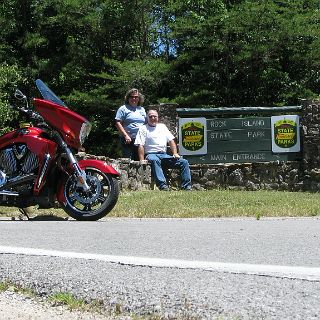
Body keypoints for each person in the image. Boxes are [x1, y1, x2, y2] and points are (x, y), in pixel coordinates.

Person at [134, 108, 192, 191]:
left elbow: (171, 140)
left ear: (158, 117)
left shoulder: (162, 127)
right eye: (150, 116)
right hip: (151, 154)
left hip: (164, 155)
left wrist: (175, 153)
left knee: (184, 162)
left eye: (155, 116)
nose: (153, 118)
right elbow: (141, 145)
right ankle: (163, 186)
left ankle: (186, 186)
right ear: (147, 118)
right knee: (155, 160)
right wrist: (141, 159)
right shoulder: (143, 128)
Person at [115, 88, 146, 160]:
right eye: (131, 97)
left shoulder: (142, 109)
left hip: (140, 140)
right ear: (128, 98)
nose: (134, 98)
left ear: (139, 98)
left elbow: (146, 123)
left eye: (136, 97)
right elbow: (118, 122)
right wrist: (125, 135)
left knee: (140, 161)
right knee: (128, 161)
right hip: (128, 139)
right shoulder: (123, 108)